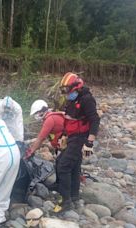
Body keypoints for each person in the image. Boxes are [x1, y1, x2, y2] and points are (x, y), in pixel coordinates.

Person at [53, 72, 100, 213]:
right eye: (63, 90)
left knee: (63, 165)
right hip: (72, 136)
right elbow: (69, 119)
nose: (65, 93)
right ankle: (73, 196)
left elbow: (95, 120)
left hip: (81, 138)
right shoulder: (72, 100)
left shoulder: (86, 99)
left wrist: (89, 142)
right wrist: (63, 136)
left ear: (76, 87)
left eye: (66, 90)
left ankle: (65, 201)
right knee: (72, 166)